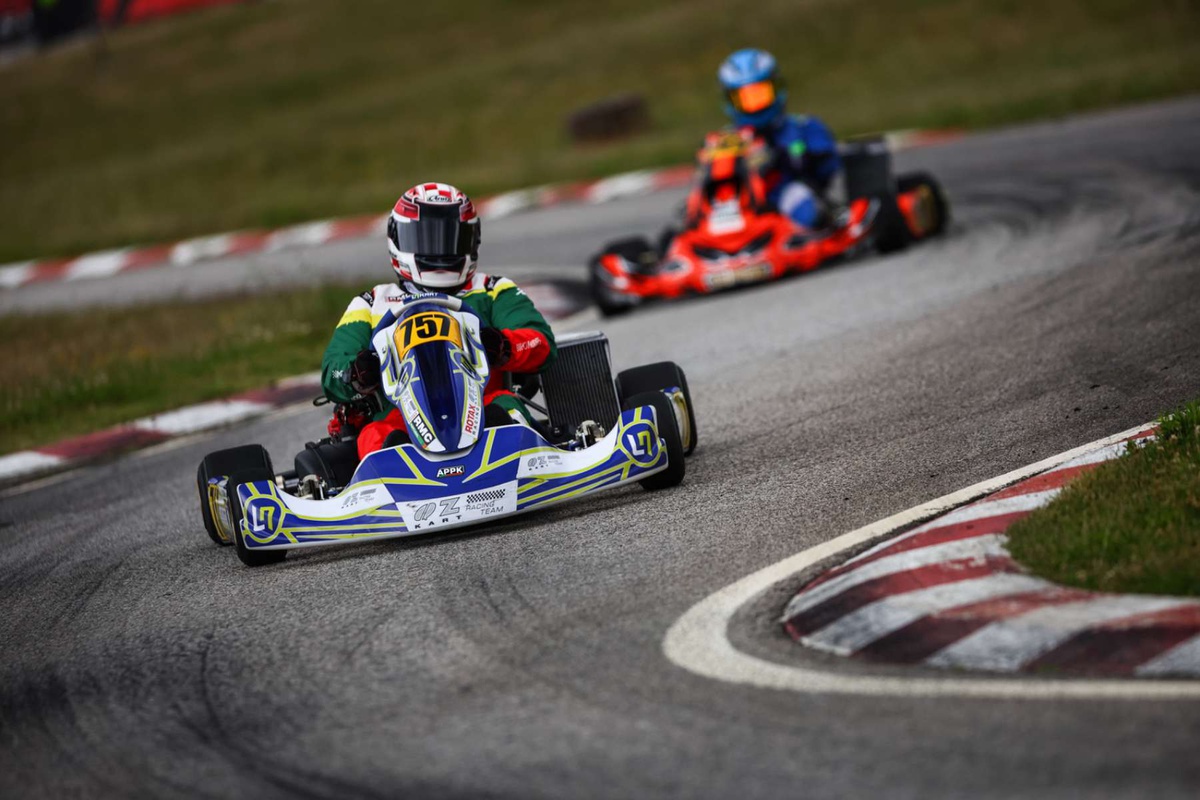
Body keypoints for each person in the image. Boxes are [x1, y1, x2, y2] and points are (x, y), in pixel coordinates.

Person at [321, 182, 557, 459]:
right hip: (405, 420)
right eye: (426, 239)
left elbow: (540, 342)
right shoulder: (372, 303)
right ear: (399, 239)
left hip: (483, 409)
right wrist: (355, 372)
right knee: (376, 434)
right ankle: (398, 478)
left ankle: (520, 459)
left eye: (450, 238)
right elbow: (332, 371)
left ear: (471, 239)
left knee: (507, 408)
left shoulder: (492, 290)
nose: (439, 251)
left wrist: (504, 346)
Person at [717, 48, 843, 233]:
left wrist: (781, 155)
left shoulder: (803, 127)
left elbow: (827, 166)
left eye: (759, 95)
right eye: (746, 99)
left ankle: (812, 230)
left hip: (785, 194)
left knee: (801, 201)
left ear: (776, 89)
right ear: (731, 101)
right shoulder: (726, 140)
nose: (754, 105)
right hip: (740, 205)